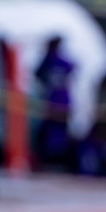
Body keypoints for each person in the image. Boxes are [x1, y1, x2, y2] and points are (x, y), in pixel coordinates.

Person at [32, 36, 75, 171]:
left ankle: (55, 160)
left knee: (54, 133)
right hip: (59, 102)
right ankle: (55, 160)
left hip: (54, 101)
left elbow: (37, 73)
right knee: (54, 133)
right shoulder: (59, 61)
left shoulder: (50, 60)